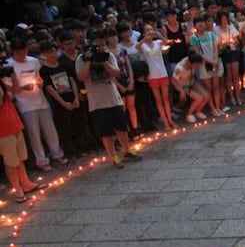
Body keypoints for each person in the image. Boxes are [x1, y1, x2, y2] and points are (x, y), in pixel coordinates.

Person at [76, 30, 142, 168]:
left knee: (121, 127)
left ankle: (126, 150)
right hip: (97, 103)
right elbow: (81, 77)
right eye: (97, 45)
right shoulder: (81, 59)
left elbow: (116, 73)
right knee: (105, 132)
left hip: (114, 98)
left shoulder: (109, 55)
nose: (100, 48)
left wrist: (103, 62)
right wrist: (89, 61)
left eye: (102, 44)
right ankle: (113, 156)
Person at [7, 37, 68, 172]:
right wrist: (23, 88)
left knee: (50, 129)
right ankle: (42, 161)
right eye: (19, 53)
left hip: (40, 100)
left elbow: (40, 76)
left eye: (24, 52)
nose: (22, 56)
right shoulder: (9, 65)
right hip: (25, 104)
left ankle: (57, 153)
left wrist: (38, 82)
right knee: (34, 133)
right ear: (13, 52)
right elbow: (9, 87)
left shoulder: (34, 61)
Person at [0, 79, 48, 203]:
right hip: (3, 130)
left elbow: (14, 91)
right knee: (11, 161)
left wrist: (12, 78)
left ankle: (26, 183)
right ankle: (17, 189)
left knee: (20, 158)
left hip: (15, 124)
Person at [137, 25, 177, 130]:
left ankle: (170, 119)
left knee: (166, 99)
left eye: (151, 31)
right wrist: (144, 39)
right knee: (158, 100)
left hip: (162, 73)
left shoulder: (157, 43)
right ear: (144, 33)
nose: (150, 33)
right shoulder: (143, 45)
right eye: (147, 31)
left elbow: (166, 42)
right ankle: (165, 121)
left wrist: (158, 35)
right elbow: (137, 47)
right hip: (152, 75)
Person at [171, 53, 210, 122]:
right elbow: (173, 80)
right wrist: (181, 91)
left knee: (206, 95)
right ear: (191, 63)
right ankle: (189, 114)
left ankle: (198, 112)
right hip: (183, 85)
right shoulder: (179, 69)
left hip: (191, 82)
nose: (198, 66)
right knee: (199, 98)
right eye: (197, 65)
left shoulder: (190, 59)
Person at [215, 10, 242, 106]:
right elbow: (216, 44)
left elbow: (237, 40)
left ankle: (238, 95)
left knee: (235, 75)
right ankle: (231, 96)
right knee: (228, 76)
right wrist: (223, 44)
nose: (224, 21)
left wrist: (234, 41)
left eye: (225, 19)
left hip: (233, 51)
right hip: (224, 53)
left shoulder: (231, 27)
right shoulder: (216, 29)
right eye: (222, 20)